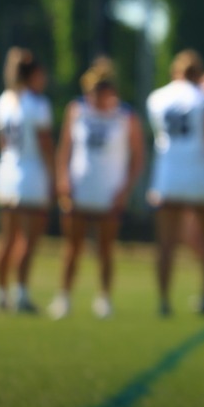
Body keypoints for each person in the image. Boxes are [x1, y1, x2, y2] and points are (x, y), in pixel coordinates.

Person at [53, 58, 141, 319]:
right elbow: (65, 149)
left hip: (109, 190)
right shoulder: (77, 110)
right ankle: (64, 297)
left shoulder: (126, 116)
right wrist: (62, 179)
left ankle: (103, 298)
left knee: (105, 248)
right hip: (79, 188)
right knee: (72, 247)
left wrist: (125, 189)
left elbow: (137, 157)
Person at [147, 50, 204, 318]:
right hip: (200, 174)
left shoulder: (156, 97)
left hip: (168, 175)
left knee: (166, 243)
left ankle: (164, 301)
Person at [0, 46, 54, 315]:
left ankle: (0, 292)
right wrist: (55, 176)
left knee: (7, 238)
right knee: (28, 239)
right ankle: (22, 293)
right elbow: (45, 145)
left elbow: (2, 143)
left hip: (6, 173)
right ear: (34, 75)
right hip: (31, 175)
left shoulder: (3, 100)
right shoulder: (38, 104)